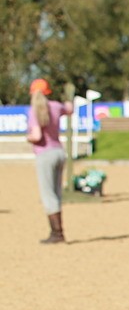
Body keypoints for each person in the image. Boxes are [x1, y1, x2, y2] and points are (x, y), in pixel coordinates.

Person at [26, 79, 68, 244]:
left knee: (48, 195)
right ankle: (58, 231)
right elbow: (69, 109)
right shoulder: (56, 106)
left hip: (45, 154)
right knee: (56, 193)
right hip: (59, 151)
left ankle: (56, 233)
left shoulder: (34, 110)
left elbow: (36, 136)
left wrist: (27, 138)